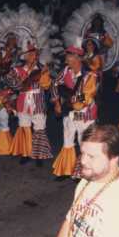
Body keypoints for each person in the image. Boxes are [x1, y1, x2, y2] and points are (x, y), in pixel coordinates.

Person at [51, 45, 98, 179]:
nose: (66, 57)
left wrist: (70, 99)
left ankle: (84, 173)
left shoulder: (90, 75)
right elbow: (54, 83)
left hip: (83, 113)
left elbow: (87, 96)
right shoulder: (66, 70)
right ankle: (66, 170)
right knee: (67, 140)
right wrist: (56, 102)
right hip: (69, 111)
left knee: (83, 142)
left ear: (77, 58)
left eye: (69, 55)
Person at [9, 44, 53, 166]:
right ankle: (25, 153)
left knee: (39, 128)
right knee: (24, 127)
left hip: (38, 101)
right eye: (32, 54)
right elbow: (16, 86)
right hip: (23, 102)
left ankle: (39, 155)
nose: (35, 56)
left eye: (36, 53)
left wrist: (43, 74)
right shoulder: (17, 70)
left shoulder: (42, 69)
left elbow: (46, 85)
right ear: (25, 56)